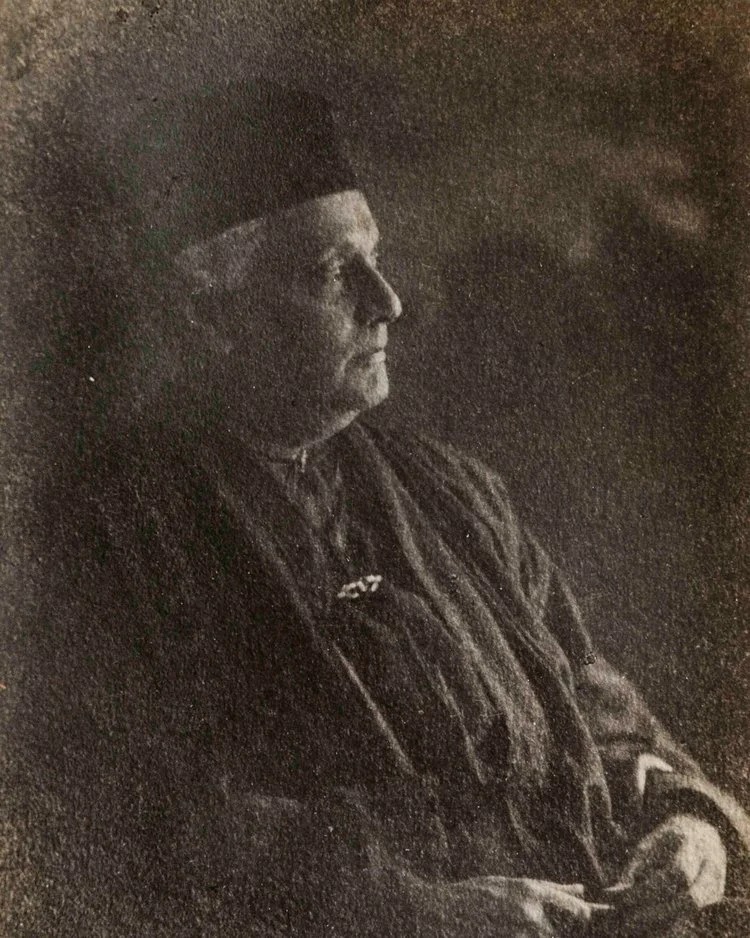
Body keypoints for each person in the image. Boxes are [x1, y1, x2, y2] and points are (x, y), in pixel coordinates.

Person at [9, 80, 749, 938]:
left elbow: (601, 713)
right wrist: (413, 914)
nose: (388, 300)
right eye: (334, 272)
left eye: (376, 256)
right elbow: (137, 831)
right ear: (211, 314)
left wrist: (687, 826)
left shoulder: (457, 495)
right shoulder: (105, 536)